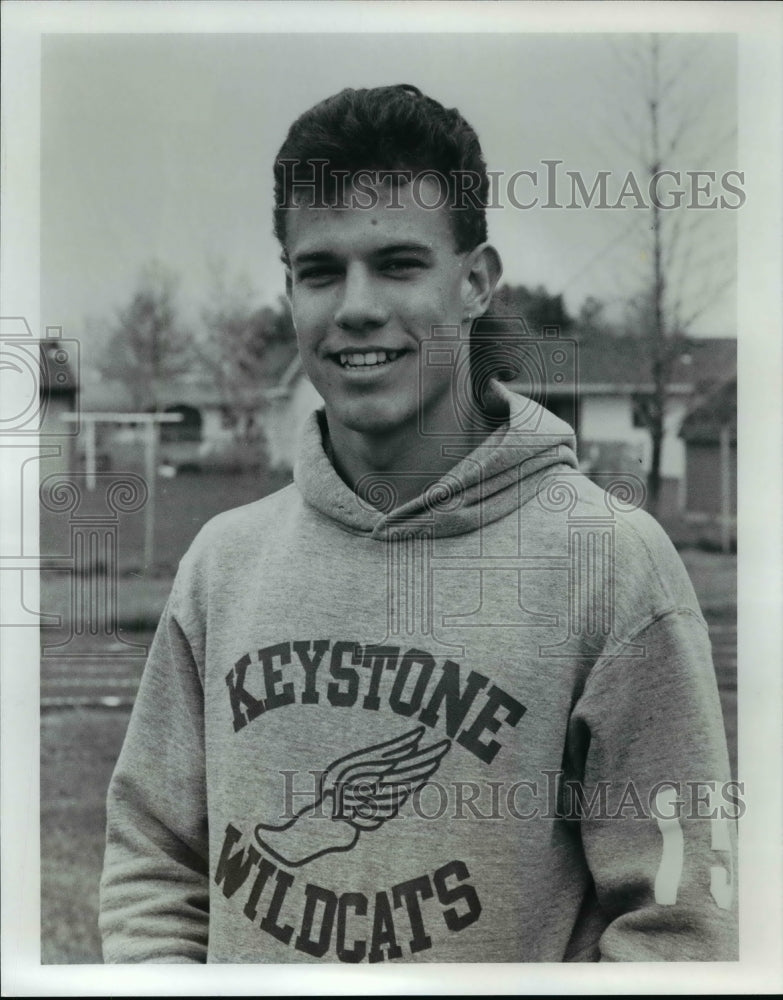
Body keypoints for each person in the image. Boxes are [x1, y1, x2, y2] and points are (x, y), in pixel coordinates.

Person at [99, 84, 738, 963]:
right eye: (320, 271)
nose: (356, 305)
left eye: (398, 264)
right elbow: (154, 860)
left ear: (475, 281)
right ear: (289, 290)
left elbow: (677, 927)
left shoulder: (612, 565)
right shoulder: (223, 565)